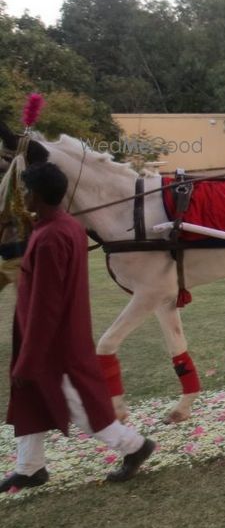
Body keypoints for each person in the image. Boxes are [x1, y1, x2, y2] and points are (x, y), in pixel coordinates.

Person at [2, 162, 155, 493]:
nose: (23, 197)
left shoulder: (51, 237)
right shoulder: (66, 226)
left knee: (81, 404)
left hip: (55, 345)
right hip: (46, 337)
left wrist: (29, 359)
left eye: (27, 191)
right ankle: (30, 467)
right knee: (32, 400)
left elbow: (47, 306)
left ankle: (134, 445)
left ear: (38, 195)